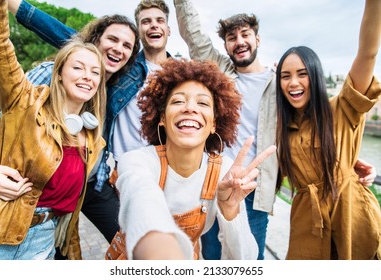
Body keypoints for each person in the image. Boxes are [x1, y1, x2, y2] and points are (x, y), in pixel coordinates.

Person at [173, 0, 378, 260]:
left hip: (258, 189)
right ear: (226, 46)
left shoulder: (281, 86)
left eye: (245, 34)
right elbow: (194, 36)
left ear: (257, 39)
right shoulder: (220, 73)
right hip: (216, 182)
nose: (239, 41)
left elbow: (315, 126)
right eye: (231, 37)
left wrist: (345, 160)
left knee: (252, 259)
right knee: (212, 255)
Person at [0, 0, 142, 259]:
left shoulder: (97, 111)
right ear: (59, 73)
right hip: (11, 216)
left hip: (63, 214)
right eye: (78, 68)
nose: (88, 76)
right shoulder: (33, 94)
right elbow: (0, 52)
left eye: (127, 45)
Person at [109, 58, 276, 260]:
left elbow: (245, 261)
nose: (190, 108)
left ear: (214, 123)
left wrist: (231, 210)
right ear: (162, 118)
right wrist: (161, 250)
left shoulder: (224, 172)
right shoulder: (137, 161)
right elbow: (141, 196)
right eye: (178, 101)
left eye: (203, 103)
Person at [275, 0, 381, 259]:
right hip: (306, 222)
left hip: (351, 214)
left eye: (302, 73)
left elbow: (367, 52)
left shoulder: (342, 108)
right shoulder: (282, 128)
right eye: (285, 76)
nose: (294, 82)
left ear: (316, 75)